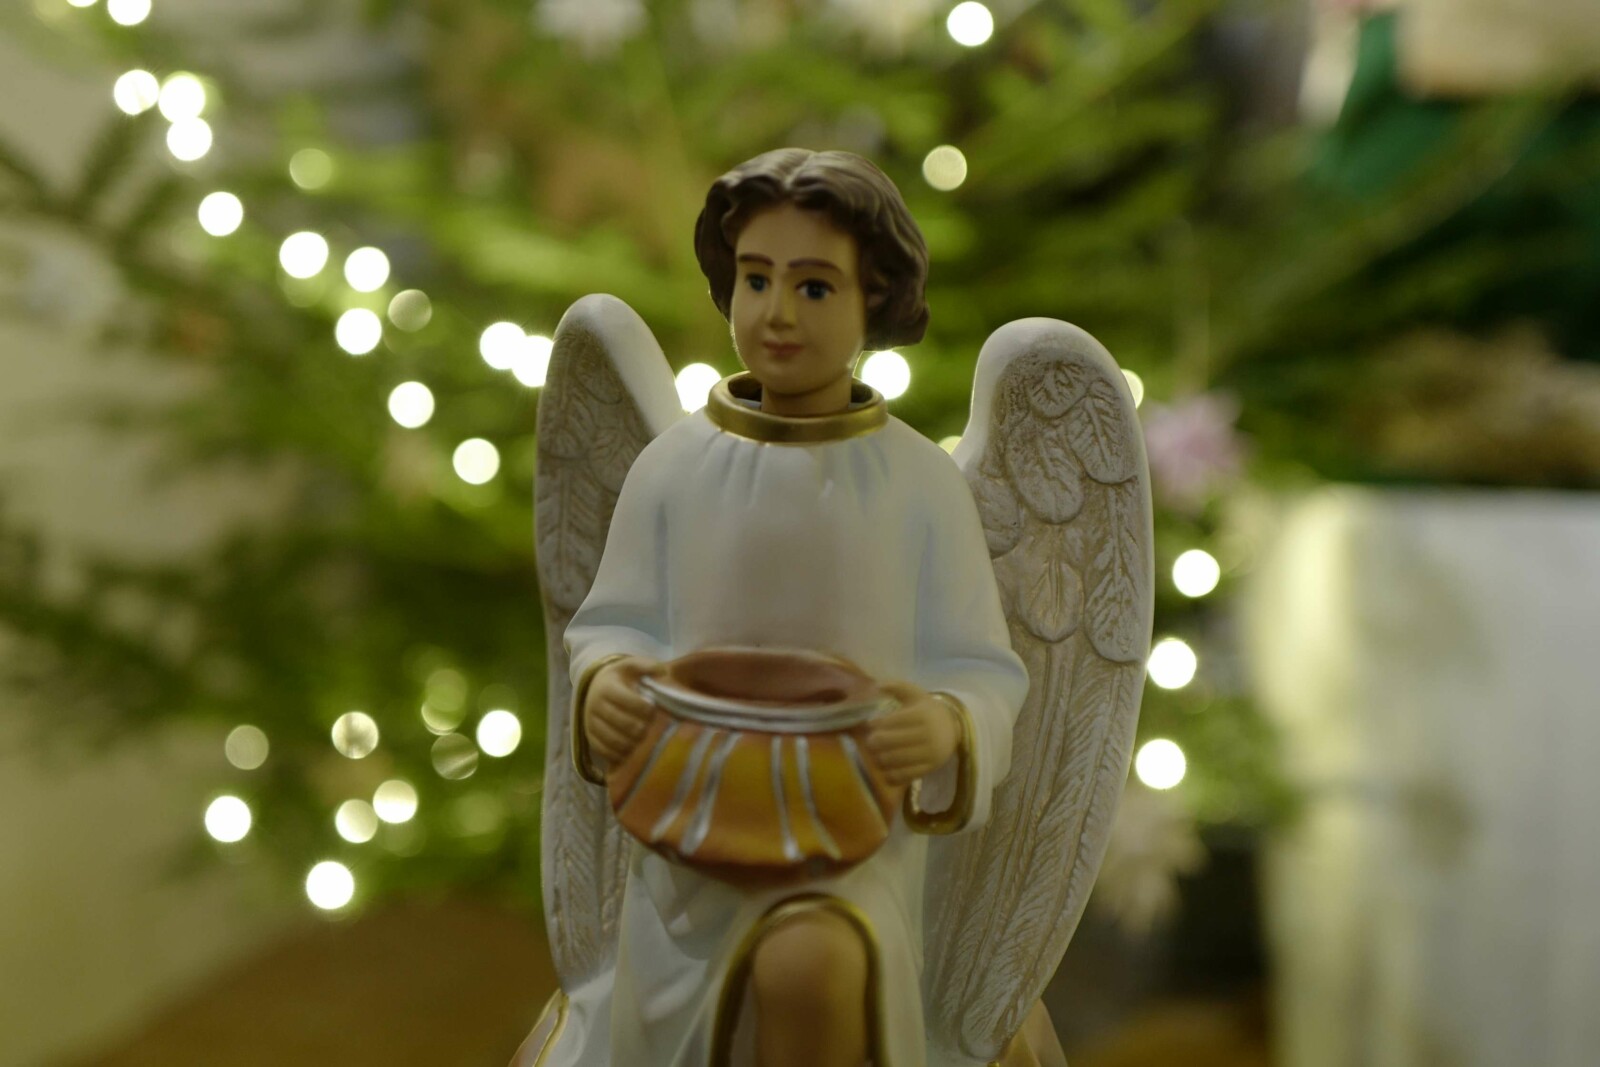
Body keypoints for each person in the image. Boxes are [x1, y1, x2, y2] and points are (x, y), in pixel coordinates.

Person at [560, 148, 1028, 1066]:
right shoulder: (672, 470)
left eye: (813, 287)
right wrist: (603, 681)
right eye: (755, 279)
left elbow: (982, 666)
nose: (776, 312)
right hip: (691, 838)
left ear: (873, 299)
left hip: (845, 843)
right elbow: (611, 622)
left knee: (810, 968)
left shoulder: (918, 484)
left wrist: (947, 722)